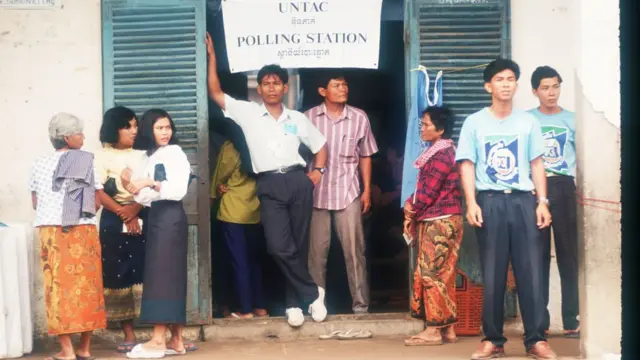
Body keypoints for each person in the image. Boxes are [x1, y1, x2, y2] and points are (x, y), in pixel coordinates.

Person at [206, 32, 329, 328]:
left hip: (298, 181)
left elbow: (320, 147)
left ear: (285, 88)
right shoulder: (247, 113)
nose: (272, 87)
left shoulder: (297, 118)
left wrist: (317, 172)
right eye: (266, 83)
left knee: (296, 245)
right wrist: (212, 59)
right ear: (259, 88)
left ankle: (293, 305)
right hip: (269, 184)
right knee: (277, 245)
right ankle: (313, 292)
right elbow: (215, 92)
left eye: (277, 82)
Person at [455, 58, 557, 360]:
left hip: (524, 201)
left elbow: (537, 163)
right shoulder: (475, 122)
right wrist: (472, 202)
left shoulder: (528, 122)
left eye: (511, 79)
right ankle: (493, 340)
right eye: (499, 79)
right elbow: (467, 165)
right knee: (493, 272)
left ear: (516, 85)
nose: (506, 84)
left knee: (531, 272)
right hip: (489, 202)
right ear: (489, 86)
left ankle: (536, 339)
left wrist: (542, 202)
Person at [29, 113, 106, 360]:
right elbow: (96, 199)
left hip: (52, 233)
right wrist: (81, 214)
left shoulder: (39, 163)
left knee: (58, 289)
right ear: (67, 137)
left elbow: (35, 202)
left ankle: (67, 350)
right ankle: (84, 348)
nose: (83, 136)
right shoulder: (87, 161)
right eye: (80, 133)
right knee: (88, 288)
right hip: (83, 231)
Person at [122, 109, 195, 358]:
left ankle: (157, 339)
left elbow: (176, 190)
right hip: (157, 217)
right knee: (166, 275)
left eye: (167, 127)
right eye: (159, 128)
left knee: (163, 277)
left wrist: (150, 183)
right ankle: (176, 339)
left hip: (170, 217)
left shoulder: (174, 153)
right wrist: (131, 185)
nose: (165, 132)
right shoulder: (150, 156)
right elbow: (144, 197)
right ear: (148, 130)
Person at [305, 72, 378, 315]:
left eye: (345, 84)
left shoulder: (359, 117)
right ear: (322, 91)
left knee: (355, 252)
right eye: (336, 85)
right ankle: (316, 306)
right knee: (317, 255)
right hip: (316, 195)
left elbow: (366, 155)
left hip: (349, 193)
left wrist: (367, 190)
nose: (343, 88)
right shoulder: (308, 118)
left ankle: (361, 306)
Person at [402, 106, 463, 346]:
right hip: (447, 219)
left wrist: (410, 209)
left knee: (431, 273)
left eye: (426, 124)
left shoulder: (440, 155)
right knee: (444, 273)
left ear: (441, 129)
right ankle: (448, 329)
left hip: (439, 221)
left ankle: (433, 331)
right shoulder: (444, 152)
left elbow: (426, 193)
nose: (422, 128)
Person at [529, 66, 580, 338]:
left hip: (563, 186)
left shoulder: (573, 119)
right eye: (545, 88)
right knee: (537, 257)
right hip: (534, 188)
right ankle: (541, 321)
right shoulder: (526, 120)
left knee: (568, 255)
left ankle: (572, 319)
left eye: (556, 86)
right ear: (535, 91)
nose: (552, 93)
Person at [95, 106, 148, 353]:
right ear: (114, 129)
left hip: (141, 212)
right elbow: (99, 192)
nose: (134, 130)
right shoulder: (101, 156)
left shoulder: (144, 155)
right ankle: (128, 331)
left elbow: (152, 186)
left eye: (136, 125)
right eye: (128, 126)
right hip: (114, 219)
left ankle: (154, 328)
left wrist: (135, 209)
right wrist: (124, 214)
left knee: (145, 267)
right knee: (119, 271)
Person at [210, 120, 268, 319]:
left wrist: (216, 191)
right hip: (255, 211)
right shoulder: (261, 147)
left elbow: (219, 177)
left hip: (233, 212)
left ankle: (244, 309)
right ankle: (260, 306)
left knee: (238, 262)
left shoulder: (230, 149)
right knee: (254, 262)